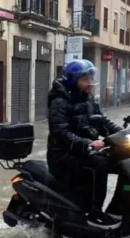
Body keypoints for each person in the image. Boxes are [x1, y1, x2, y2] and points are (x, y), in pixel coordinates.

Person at [46, 59, 123, 220]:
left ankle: (121, 208)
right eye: (85, 79)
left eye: (91, 78)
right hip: (63, 155)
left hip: (85, 152)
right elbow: (61, 132)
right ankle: (95, 213)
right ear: (73, 80)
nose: (90, 82)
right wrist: (88, 143)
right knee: (100, 166)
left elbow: (102, 121)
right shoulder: (59, 102)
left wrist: (123, 133)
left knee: (122, 162)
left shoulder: (88, 99)